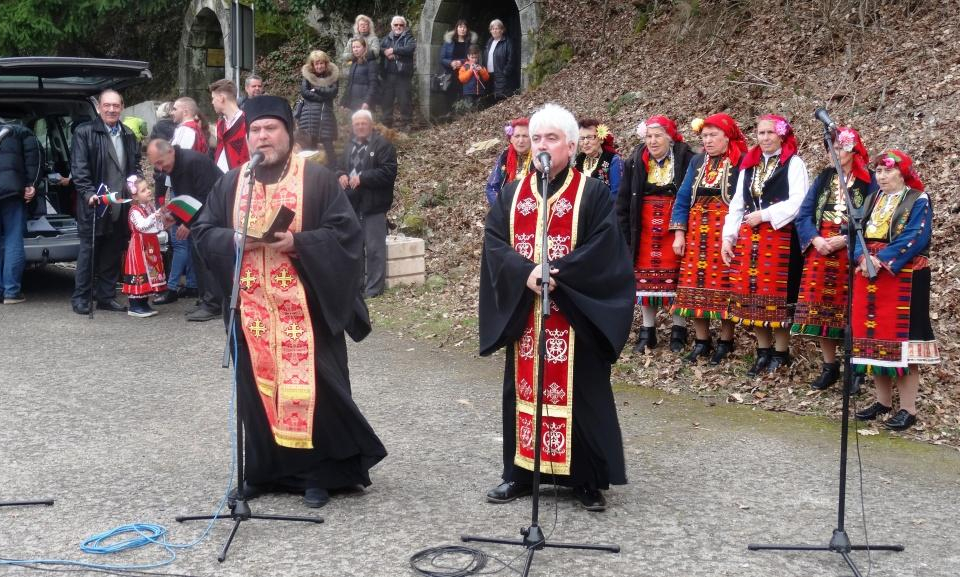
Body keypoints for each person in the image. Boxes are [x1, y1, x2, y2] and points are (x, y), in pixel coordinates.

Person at [192, 95, 387, 508]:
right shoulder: (234, 182)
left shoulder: (315, 179)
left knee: (314, 393)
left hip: (306, 310)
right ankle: (263, 472)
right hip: (252, 312)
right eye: (255, 131)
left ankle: (317, 474)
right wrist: (233, 239)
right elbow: (203, 230)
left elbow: (346, 237)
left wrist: (299, 242)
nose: (263, 137)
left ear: (288, 133)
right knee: (257, 392)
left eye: (271, 129)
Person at [479, 103, 634, 512]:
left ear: (569, 144)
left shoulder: (593, 193)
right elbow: (494, 244)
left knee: (580, 392)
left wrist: (558, 272)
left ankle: (584, 479)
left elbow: (605, 250)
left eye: (551, 138)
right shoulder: (512, 195)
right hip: (526, 315)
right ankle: (519, 473)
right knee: (523, 391)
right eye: (536, 139)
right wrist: (525, 272)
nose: (542, 146)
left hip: (574, 312)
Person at [852, 150, 939, 431]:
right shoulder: (872, 199)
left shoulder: (918, 200)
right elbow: (856, 232)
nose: (881, 176)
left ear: (903, 173)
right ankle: (883, 401)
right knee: (874, 338)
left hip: (905, 275)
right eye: (877, 171)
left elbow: (916, 235)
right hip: (869, 273)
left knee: (904, 343)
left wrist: (882, 259)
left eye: (887, 171)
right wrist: (863, 258)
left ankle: (908, 408)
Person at [721, 115, 808, 376]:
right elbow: (737, 203)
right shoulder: (750, 164)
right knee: (753, 298)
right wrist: (728, 237)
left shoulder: (793, 164)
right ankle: (763, 350)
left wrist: (766, 214)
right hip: (751, 238)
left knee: (778, 299)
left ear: (781, 135)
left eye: (770, 132)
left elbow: (799, 201)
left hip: (781, 238)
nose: (765, 137)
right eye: (761, 133)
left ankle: (780, 353)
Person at [792, 127, 877, 390]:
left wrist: (846, 239)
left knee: (852, 310)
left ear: (853, 150)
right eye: (831, 148)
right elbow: (804, 214)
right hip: (821, 249)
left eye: (839, 148)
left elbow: (874, 218)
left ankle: (856, 369)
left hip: (851, 251)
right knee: (820, 311)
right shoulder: (824, 178)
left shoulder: (870, 180)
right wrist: (815, 239)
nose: (834, 153)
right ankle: (829, 366)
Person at [669, 114, 747, 363]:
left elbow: (744, 200)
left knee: (724, 287)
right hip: (696, 233)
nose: (708, 140)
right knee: (694, 288)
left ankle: (726, 341)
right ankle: (702, 340)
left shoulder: (740, 161)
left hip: (724, 232)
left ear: (727, 136)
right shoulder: (697, 161)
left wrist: (735, 233)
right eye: (704, 136)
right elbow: (682, 197)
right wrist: (679, 233)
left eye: (714, 135)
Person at [616, 116, 695, 353]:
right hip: (644, 226)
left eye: (658, 136)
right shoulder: (635, 161)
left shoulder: (686, 158)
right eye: (649, 136)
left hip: (675, 225)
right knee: (645, 279)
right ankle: (647, 330)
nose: (652, 141)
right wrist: (623, 231)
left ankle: (678, 330)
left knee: (677, 278)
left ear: (669, 138)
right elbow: (623, 199)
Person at [70, 89, 141, 315]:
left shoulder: (129, 134)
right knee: (89, 252)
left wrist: (136, 187)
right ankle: (81, 298)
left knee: (112, 251)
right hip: (95, 202)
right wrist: (87, 193)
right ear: (99, 107)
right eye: (107, 105)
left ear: (122, 107)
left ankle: (106, 297)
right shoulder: (85, 132)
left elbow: (135, 167)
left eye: (116, 106)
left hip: (121, 202)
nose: (111, 109)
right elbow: (79, 169)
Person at [145, 139, 224, 321]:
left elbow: (206, 197)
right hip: (203, 215)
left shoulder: (192, 162)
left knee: (206, 258)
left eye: (160, 162)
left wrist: (188, 223)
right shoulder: (175, 165)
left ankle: (213, 304)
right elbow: (185, 198)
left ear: (170, 151)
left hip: (216, 212)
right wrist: (176, 217)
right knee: (198, 257)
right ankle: (206, 300)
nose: (159, 168)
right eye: (155, 164)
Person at [337, 110, 398, 298]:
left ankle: (374, 289)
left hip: (374, 205)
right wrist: (340, 175)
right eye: (357, 124)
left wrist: (363, 178)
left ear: (371, 124)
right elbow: (339, 166)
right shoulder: (349, 146)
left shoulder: (383, 145)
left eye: (364, 123)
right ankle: (357, 287)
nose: (360, 127)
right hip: (352, 204)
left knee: (374, 250)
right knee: (355, 248)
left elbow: (389, 172)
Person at [0, 120, 39, 304]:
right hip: (12, 192)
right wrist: (31, 184)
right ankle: (11, 291)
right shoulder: (20, 131)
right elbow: (34, 156)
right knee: (13, 238)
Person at [121, 176, 166, 318]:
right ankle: (135, 304)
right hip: (139, 247)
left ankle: (144, 302)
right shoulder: (134, 211)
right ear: (135, 195)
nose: (148, 191)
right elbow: (141, 226)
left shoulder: (150, 207)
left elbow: (157, 227)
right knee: (140, 271)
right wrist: (154, 216)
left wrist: (160, 219)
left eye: (148, 188)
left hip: (151, 244)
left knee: (151, 273)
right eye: (143, 190)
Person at [297, 50, 339, 167]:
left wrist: (316, 89)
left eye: (321, 63)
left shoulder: (332, 76)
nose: (319, 66)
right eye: (317, 63)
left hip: (325, 116)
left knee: (329, 147)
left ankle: (334, 173)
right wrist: (323, 96)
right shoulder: (307, 76)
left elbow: (333, 92)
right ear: (312, 65)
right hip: (309, 117)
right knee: (310, 149)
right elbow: (305, 93)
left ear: (326, 64)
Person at [379, 15, 416, 129]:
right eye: (396, 25)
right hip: (388, 75)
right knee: (386, 102)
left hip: (403, 76)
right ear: (392, 26)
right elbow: (378, 49)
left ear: (404, 26)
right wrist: (385, 51)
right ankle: (386, 126)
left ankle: (407, 125)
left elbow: (410, 49)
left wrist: (394, 50)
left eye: (401, 25)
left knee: (405, 101)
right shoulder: (386, 38)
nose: (398, 27)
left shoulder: (408, 37)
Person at [485, 117, 532, 205]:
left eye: (525, 136)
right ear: (511, 139)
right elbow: (491, 187)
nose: (521, 141)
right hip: (506, 208)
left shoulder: (538, 158)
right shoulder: (505, 157)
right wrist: (500, 208)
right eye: (517, 136)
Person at [575, 118, 623, 198]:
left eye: (590, 137)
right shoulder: (578, 161)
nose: (585, 142)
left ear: (601, 139)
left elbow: (617, 195)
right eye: (582, 138)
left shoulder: (613, 160)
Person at [209, 79, 249, 172]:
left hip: (240, 181)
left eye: (213, 98)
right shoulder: (220, 124)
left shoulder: (247, 123)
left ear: (221, 98)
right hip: (221, 181)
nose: (212, 102)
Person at [439, 19, 477, 110]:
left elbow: (474, 58)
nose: (462, 29)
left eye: (464, 27)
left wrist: (461, 62)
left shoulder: (470, 43)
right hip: (451, 73)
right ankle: (451, 118)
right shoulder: (448, 42)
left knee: (465, 96)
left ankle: (464, 117)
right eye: (460, 27)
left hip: (465, 73)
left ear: (467, 29)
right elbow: (442, 59)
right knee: (450, 97)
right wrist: (451, 63)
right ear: (456, 28)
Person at [340, 38, 380, 113]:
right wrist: (344, 102)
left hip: (365, 103)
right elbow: (350, 84)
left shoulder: (371, 63)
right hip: (354, 103)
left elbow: (373, 85)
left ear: (364, 47)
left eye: (358, 47)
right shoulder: (354, 62)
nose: (355, 49)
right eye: (353, 47)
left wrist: (367, 102)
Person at [148, 102, 176, 203]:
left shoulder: (158, 126)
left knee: (160, 197)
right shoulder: (179, 126)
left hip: (160, 170)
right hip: (174, 168)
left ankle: (159, 214)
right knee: (175, 197)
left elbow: (152, 145)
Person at [484, 19, 516, 103]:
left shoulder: (507, 42)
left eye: (497, 28)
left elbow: (511, 60)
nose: (494, 30)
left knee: (501, 99)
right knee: (491, 100)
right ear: (490, 31)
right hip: (489, 76)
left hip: (502, 76)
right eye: (492, 29)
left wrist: (505, 73)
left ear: (502, 30)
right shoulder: (489, 42)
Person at [456, 45, 489, 110]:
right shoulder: (464, 67)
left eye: (476, 58)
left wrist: (481, 71)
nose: (474, 60)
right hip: (469, 93)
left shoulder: (481, 67)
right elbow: (462, 79)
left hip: (480, 93)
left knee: (480, 110)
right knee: (470, 111)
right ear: (468, 56)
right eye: (472, 57)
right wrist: (470, 70)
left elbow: (486, 78)